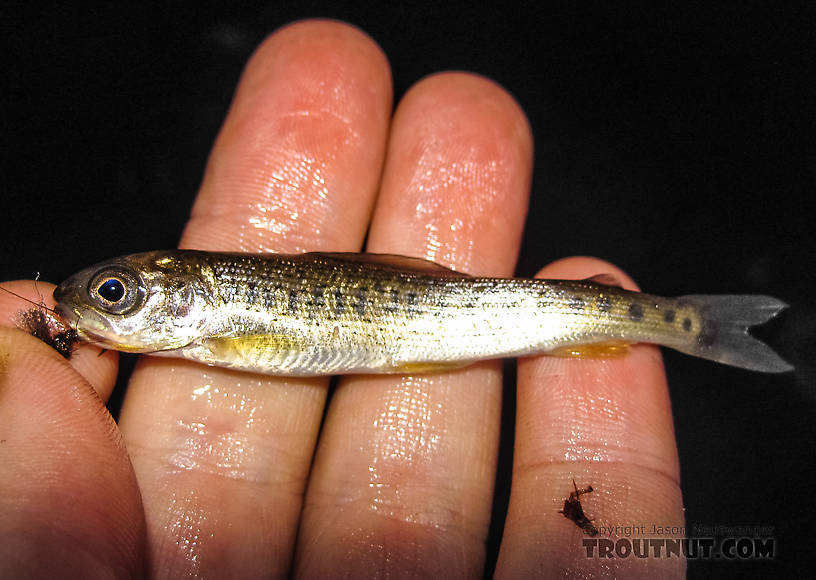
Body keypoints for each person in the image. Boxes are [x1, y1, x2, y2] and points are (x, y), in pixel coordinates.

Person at [0, 20, 685, 578]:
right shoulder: (201, 332)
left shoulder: (213, 331)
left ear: (186, 293)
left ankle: (679, 323)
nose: (99, 304)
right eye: (111, 295)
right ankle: (671, 321)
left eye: (114, 293)